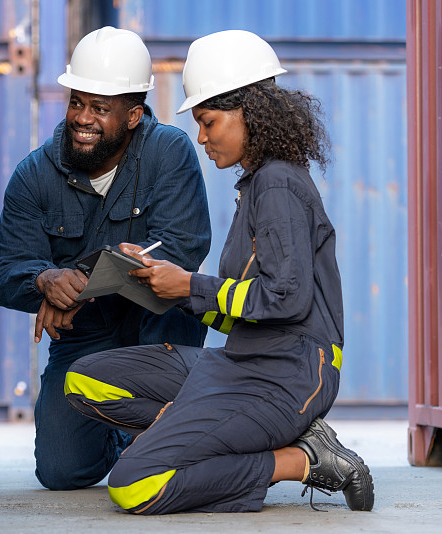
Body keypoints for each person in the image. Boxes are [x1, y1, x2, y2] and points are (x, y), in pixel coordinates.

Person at [64, 30, 375, 513]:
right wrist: (162, 283)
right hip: (240, 362)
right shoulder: (256, 185)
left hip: (286, 376)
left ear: (250, 112)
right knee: (85, 379)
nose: (202, 136)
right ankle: (194, 431)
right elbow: (238, 313)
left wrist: (190, 283)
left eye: (208, 122)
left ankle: (304, 458)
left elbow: (286, 300)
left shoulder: (276, 185)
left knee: (134, 484)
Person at [0, 26, 212, 491]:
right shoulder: (34, 175)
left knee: (175, 311)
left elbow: (183, 246)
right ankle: (118, 437)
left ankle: (161, 435)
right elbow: (5, 270)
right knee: (61, 472)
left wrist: (77, 281)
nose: (82, 118)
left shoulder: (169, 152)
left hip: (160, 326)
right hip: (85, 336)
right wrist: (45, 280)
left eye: (99, 108)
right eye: (77, 102)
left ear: (133, 115)